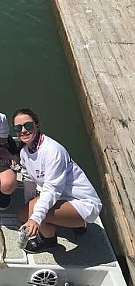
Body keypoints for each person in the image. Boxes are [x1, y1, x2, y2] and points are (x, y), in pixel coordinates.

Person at [13, 108, 102, 254]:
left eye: (28, 126)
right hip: (62, 197)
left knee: (37, 215)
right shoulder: (24, 153)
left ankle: (48, 240)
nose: (23, 130)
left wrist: (35, 218)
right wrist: (28, 203)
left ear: (37, 125)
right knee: (23, 214)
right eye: (18, 128)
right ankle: (73, 223)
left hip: (83, 203)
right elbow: (28, 179)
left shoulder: (53, 151)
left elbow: (52, 189)